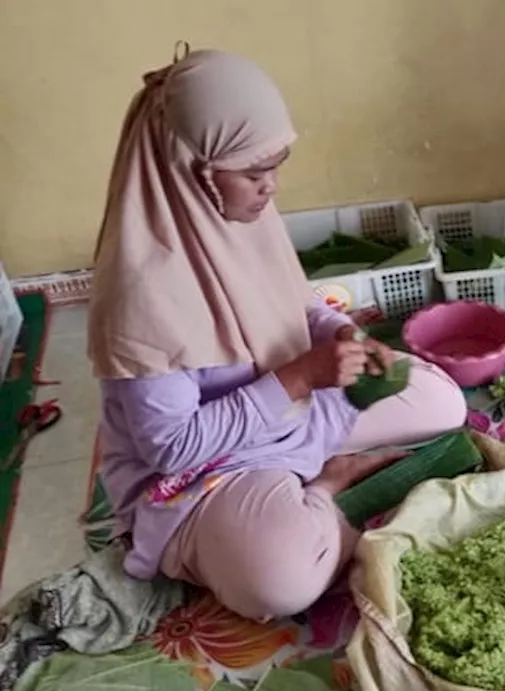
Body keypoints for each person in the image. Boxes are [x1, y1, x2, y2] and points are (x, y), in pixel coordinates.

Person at [88, 49, 467, 620]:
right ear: (190, 170)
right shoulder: (142, 290)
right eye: (254, 173)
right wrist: (297, 378)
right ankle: (324, 488)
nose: (271, 188)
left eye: (275, 166)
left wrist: (340, 333)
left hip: (291, 412)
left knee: (442, 403)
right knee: (278, 583)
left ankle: (303, 479)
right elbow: (172, 449)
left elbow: (296, 303)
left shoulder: (240, 217)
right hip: (208, 467)